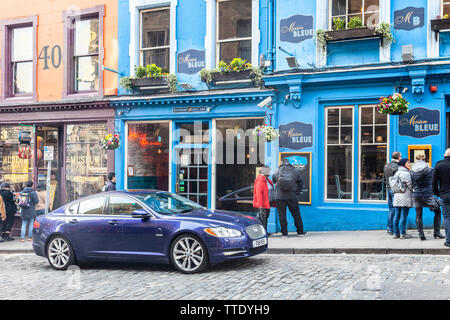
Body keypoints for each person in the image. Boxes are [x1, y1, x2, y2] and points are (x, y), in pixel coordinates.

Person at [410, 154, 445, 241]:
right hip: (428, 194)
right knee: (437, 211)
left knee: (418, 214)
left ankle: (421, 234)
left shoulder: (411, 171)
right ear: (426, 159)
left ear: (416, 159)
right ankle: (436, 232)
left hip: (416, 194)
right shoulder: (430, 169)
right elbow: (434, 182)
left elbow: (411, 183)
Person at [272, 159, 306, 238]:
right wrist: (296, 192)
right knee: (296, 214)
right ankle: (300, 232)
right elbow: (300, 183)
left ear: (282, 163)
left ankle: (284, 233)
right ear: (289, 163)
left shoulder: (277, 170)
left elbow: (274, 180)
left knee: (282, 215)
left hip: (280, 197)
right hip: (292, 196)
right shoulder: (295, 170)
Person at [390, 158, 413, 239]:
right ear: (403, 164)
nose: (409, 164)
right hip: (405, 197)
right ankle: (403, 233)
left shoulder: (397, 172)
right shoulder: (405, 173)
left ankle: (396, 233)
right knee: (403, 216)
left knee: (396, 216)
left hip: (397, 197)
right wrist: (414, 190)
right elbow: (410, 185)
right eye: (408, 163)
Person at [432, 148, 450, 248]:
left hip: (445, 195)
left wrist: (438, 194)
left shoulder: (439, 165)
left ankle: (449, 241)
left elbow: (433, 183)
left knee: (447, 218)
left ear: (444, 155)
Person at [382, 151, 401, 235]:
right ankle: (394, 229)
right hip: (395, 190)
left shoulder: (386, 165)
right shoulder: (398, 167)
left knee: (391, 209)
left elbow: (383, 178)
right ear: (398, 157)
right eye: (400, 156)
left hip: (388, 188)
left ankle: (389, 227)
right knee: (396, 209)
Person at [253, 166, 275, 235]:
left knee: (265, 218)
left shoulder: (267, 180)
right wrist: (260, 205)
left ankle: (265, 232)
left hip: (268, 202)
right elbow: (258, 193)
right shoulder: (260, 181)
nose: (269, 172)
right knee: (263, 219)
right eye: (268, 171)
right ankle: (263, 233)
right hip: (263, 204)